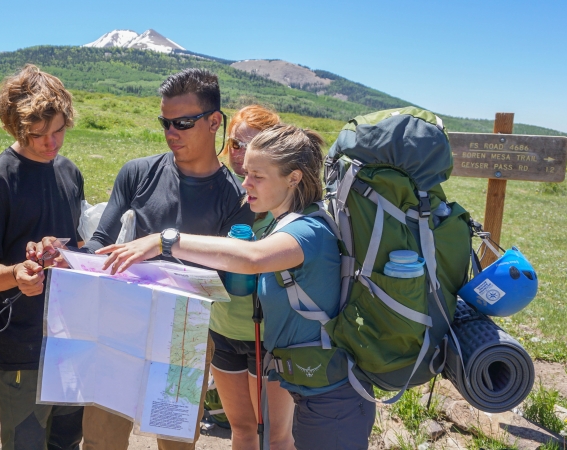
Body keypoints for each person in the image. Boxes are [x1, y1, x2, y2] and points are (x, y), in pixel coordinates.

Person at [97, 124, 377, 449]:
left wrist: (165, 241)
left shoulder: (308, 230)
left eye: (257, 175)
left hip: (328, 398)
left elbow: (253, 258)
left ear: (294, 178)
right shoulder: (288, 223)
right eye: (246, 173)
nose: (245, 182)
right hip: (307, 382)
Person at [69, 68, 254, 450]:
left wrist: (163, 248)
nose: (171, 133)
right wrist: (65, 258)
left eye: (183, 123)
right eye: (165, 122)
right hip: (120, 329)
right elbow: (100, 242)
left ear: (214, 122)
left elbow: (229, 273)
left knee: (176, 443)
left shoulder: (236, 198)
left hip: (184, 338)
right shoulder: (137, 173)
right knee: (101, 441)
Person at [0, 64, 85, 450]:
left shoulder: (69, 172)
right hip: (21, 347)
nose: (51, 144)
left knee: (67, 443)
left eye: (59, 131)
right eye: (39, 135)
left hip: (72, 340)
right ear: (15, 129)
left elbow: (79, 247)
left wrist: (70, 255)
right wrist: (18, 273)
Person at [212, 105, 295, 449]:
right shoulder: (221, 192)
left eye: (249, 145)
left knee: (277, 435)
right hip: (223, 328)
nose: (239, 154)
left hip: (270, 336)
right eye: (234, 144)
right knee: (242, 429)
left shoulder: (284, 203)